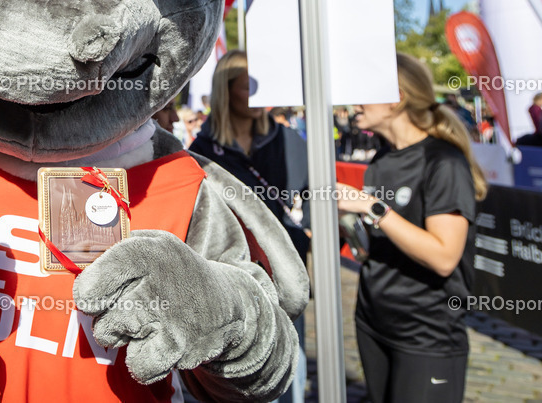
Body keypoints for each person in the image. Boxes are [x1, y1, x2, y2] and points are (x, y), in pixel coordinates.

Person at [336, 54, 487, 403]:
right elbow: (379, 244)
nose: (354, 104)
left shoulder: (443, 161)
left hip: (426, 333)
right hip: (374, 322)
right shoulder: (382, 160)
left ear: (397, 97)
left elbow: (444, 257)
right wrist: (348, 227)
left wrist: (371, 207)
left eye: (364, 93)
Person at [188, 50, 309, 403]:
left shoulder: (289, 141)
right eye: (249, 86)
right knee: (239, 377)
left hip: (286, 274)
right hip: (234, 278)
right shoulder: (202, 149)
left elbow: (316, 194)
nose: (260, 95)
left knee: (289, 372)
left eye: (263, 86)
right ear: (227, 91)